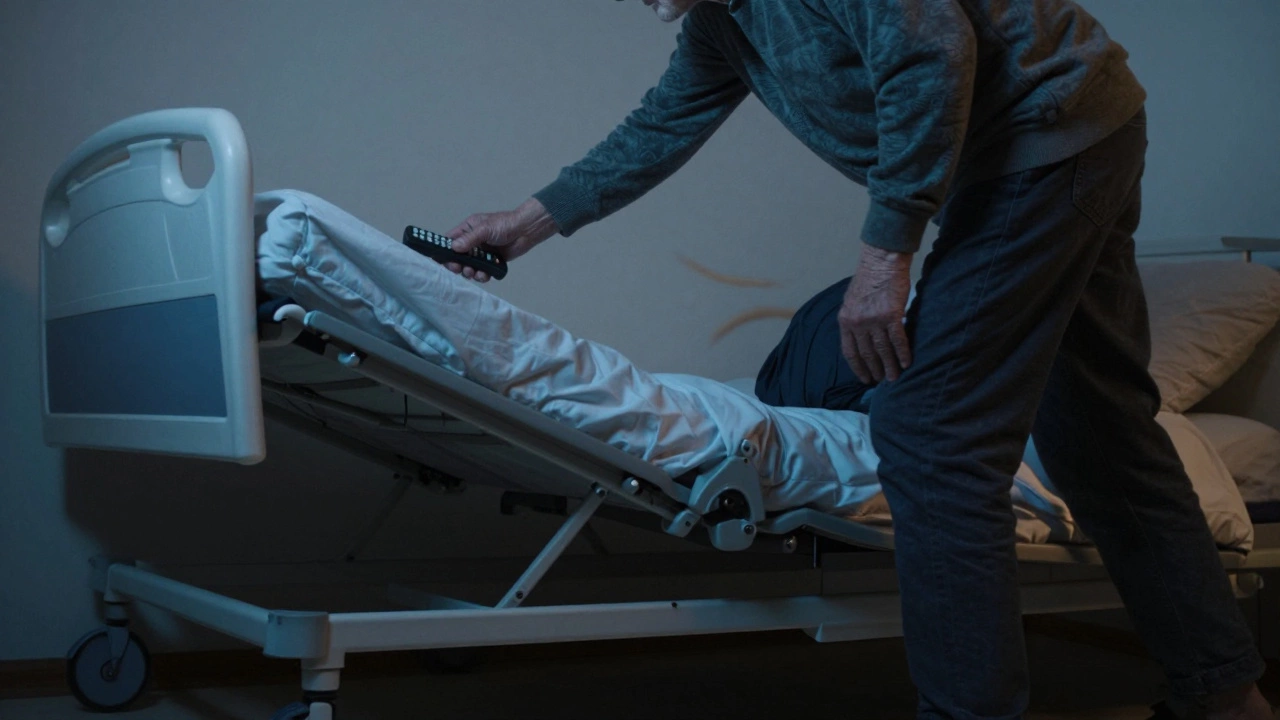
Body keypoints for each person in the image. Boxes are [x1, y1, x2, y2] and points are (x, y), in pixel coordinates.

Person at [442, 1, 1270, 718]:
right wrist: (524, 223)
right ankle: (1228, 696)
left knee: (932, 436)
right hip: (1062, 141)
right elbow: (660, 126)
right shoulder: (724, 25)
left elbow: (931, 54)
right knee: (1103, 435)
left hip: (1048, 134)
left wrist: (886, 253)